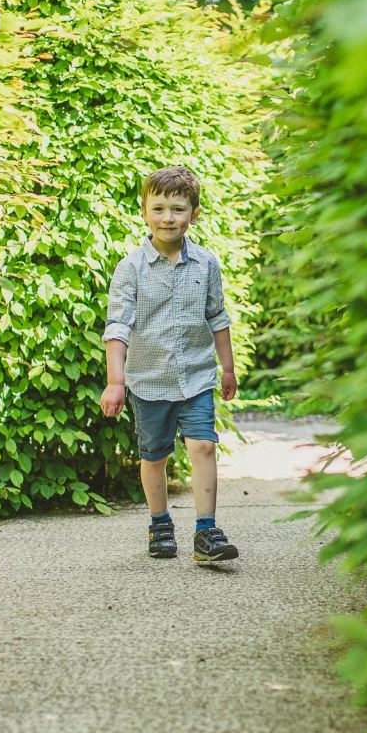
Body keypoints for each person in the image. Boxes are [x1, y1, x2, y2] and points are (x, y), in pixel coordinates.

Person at [99, 166, 240, 563]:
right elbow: (118, 326)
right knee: (154, 456)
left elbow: (218, 317)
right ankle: (160, 523)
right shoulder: (131, 269)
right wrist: (115, 382)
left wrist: (227, 368)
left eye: (177, 209)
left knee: (203, 446)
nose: (167, 217)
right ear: (144, 211)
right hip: (148, 380)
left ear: (194, 215)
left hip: (196, 376)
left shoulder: (206, 264)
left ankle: (206, 531)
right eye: (158, 208)